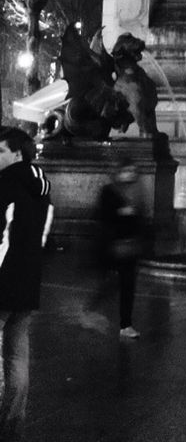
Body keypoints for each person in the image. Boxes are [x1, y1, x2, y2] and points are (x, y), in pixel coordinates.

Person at [0, 127, 53, 441]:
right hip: (28, 279)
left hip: (2, 277)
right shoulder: (42, 186)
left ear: (16, 153)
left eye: (0, 151)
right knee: (17, 357)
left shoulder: (4, 184)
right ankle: (12, 426)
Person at [81, 158, 149, 338]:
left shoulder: (137, 191)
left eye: (132, 170)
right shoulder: (109, 191)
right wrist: (122, 212)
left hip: (131, 245)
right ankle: (91, 308)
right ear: (118, 172)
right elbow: (102, 215)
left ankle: (126, 324)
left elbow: (142, 218)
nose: (129, 174)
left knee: (128, 284)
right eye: (126, 170)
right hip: (112, 245)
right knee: (111, 283)